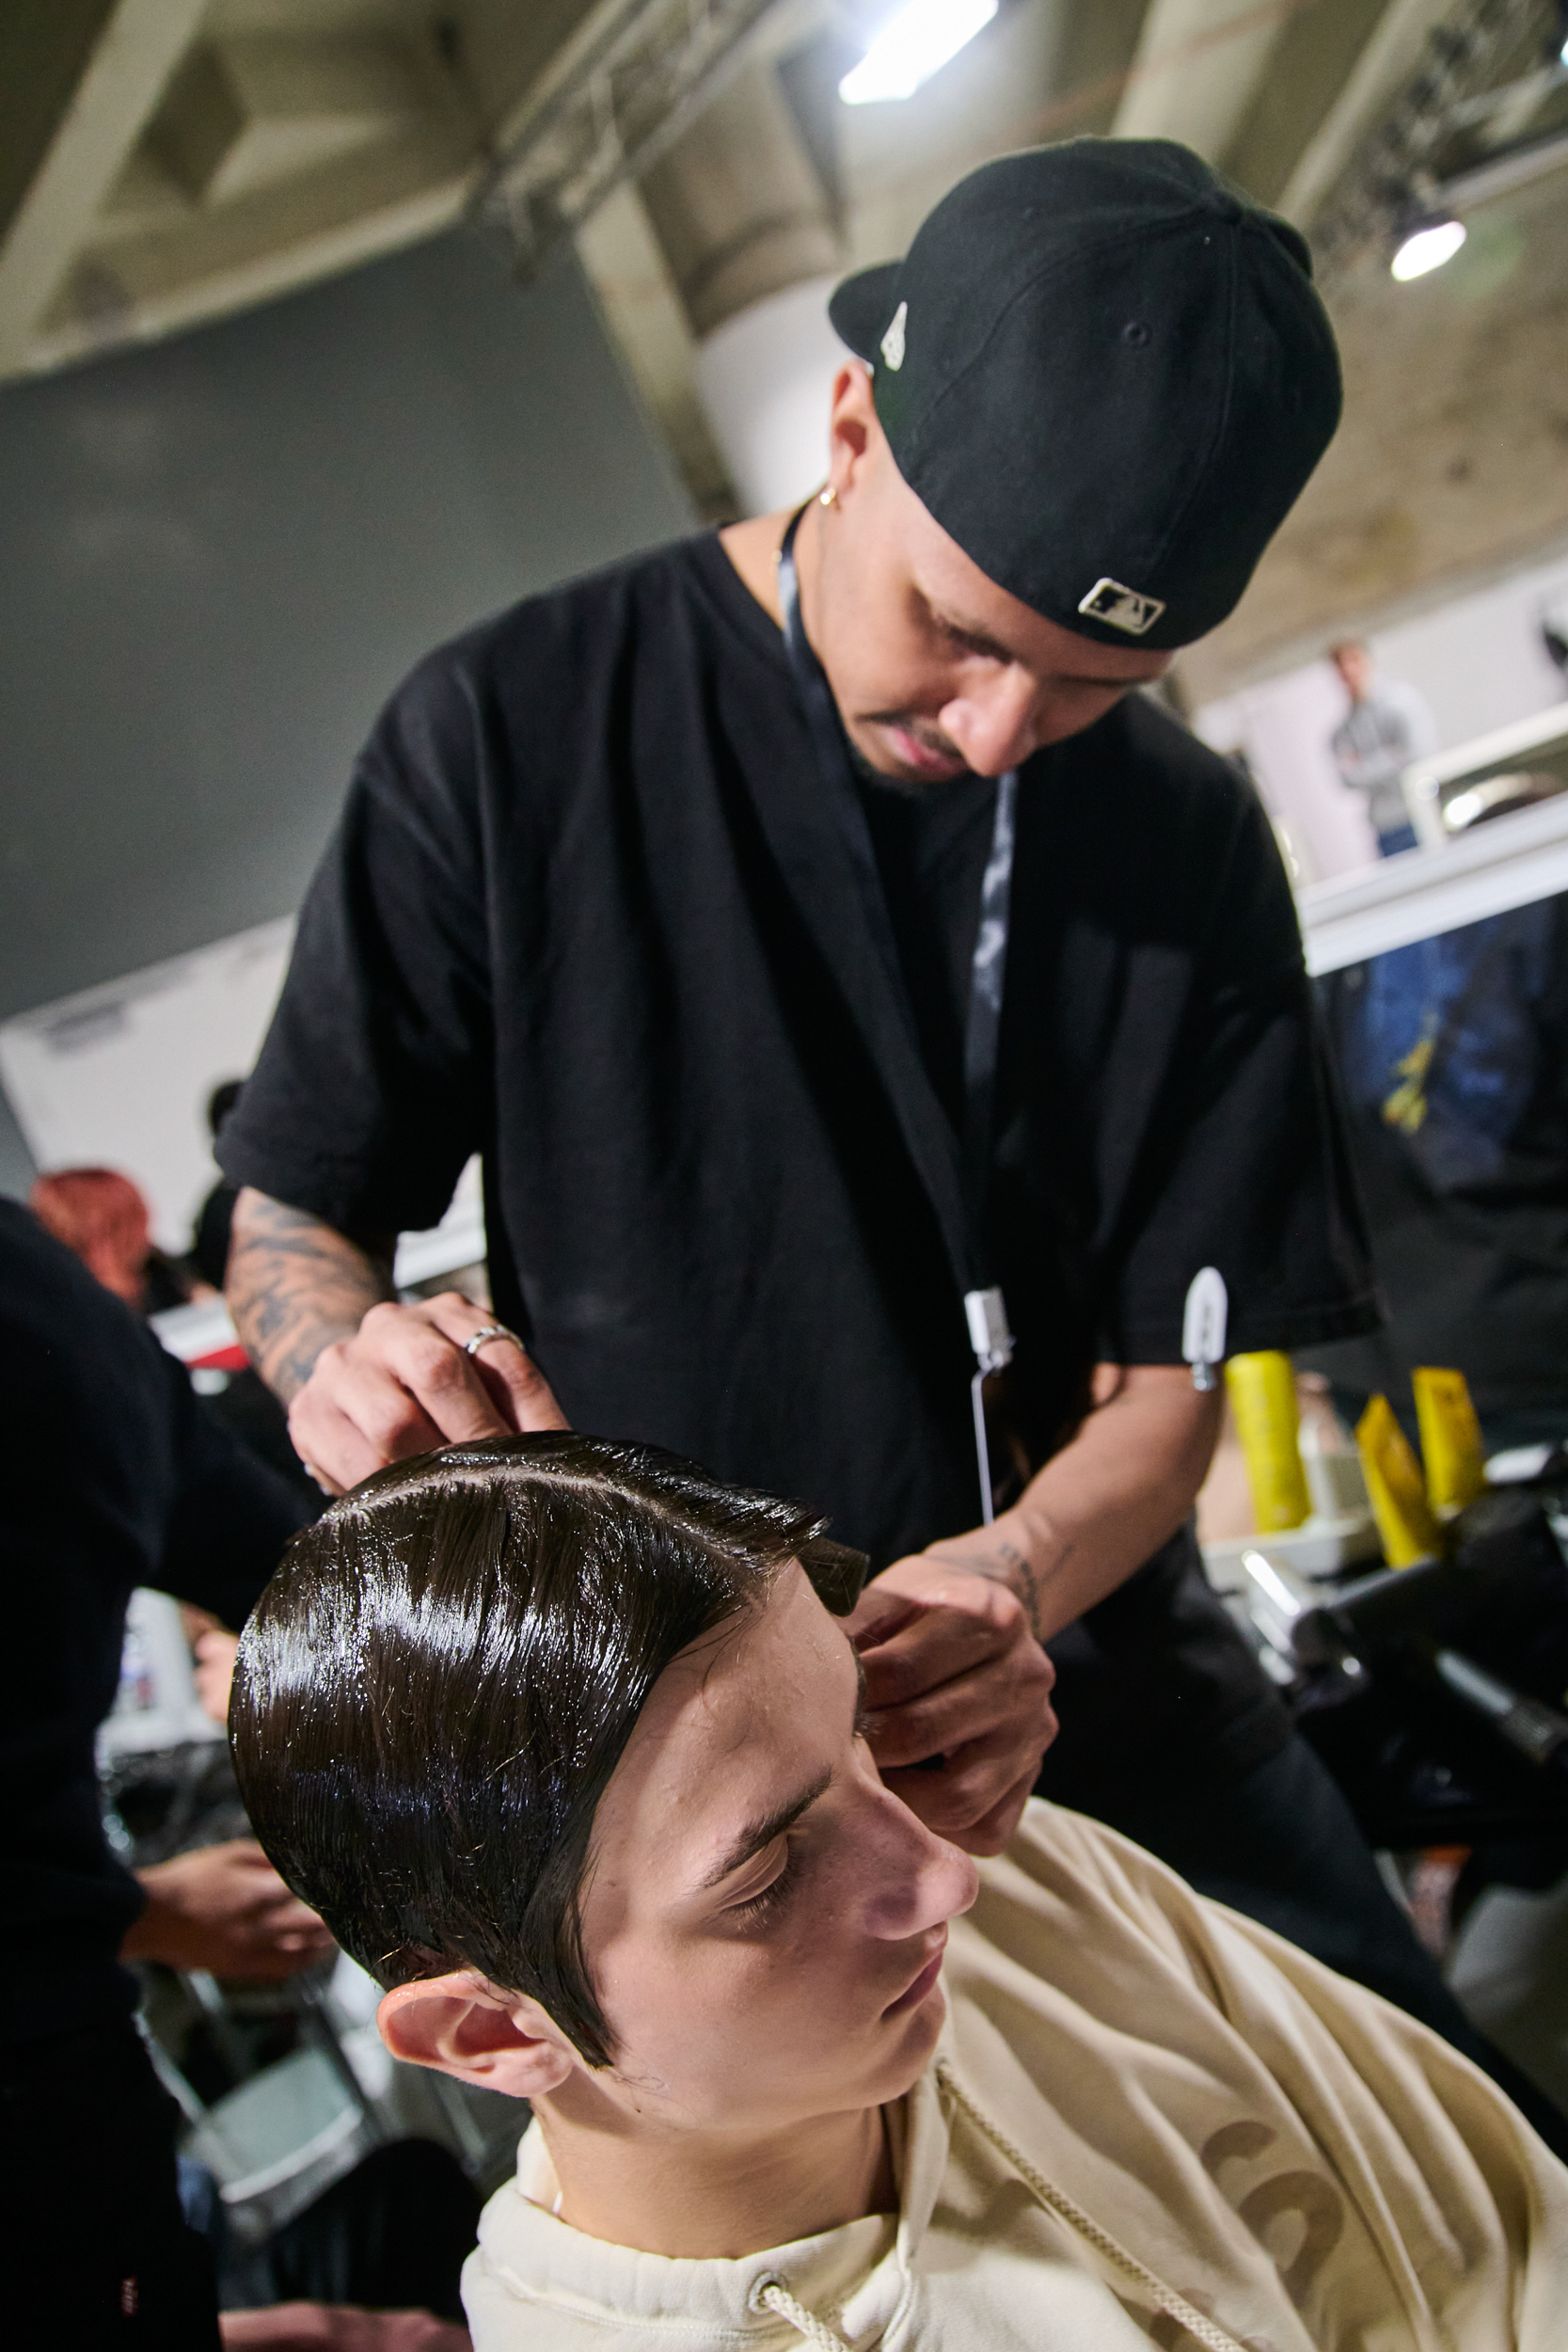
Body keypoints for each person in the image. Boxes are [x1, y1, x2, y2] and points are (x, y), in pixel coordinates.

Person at [217, 142, 1404, 1991]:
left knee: (1453, 2189)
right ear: (848, 421)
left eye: (1097, 681)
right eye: (955, 629)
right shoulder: (511, 733)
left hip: (1099, 1690)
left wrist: (1009, 1580)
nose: (1002, 730)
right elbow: (300, 1202)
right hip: (702, 1805)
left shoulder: (1182, 839)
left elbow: (1166, 1384)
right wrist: (336, 1358)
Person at [230, 1436, 1568, 2350]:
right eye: (763, 1875)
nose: (941, 1874)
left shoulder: (1035, 1890)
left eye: (858, 1735)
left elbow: (1506, 2229)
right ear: (495, 2032)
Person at [0, 1200, 461, 2347]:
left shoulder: (40, 1308)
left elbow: (291, 1587)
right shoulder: (40, 1300)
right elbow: (286, 1580)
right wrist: (138, 1915)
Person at [1327, 640, 1438, 857]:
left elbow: (1417, 756)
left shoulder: (1400, 702)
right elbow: (1347, 778)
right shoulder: (1343, 731)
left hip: (1421, 813)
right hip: (1386, 827)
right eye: (1340, 664)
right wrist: (1391, 755)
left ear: (1367, 660)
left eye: (1353, 660)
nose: (1348, 670)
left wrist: (1365, 765)